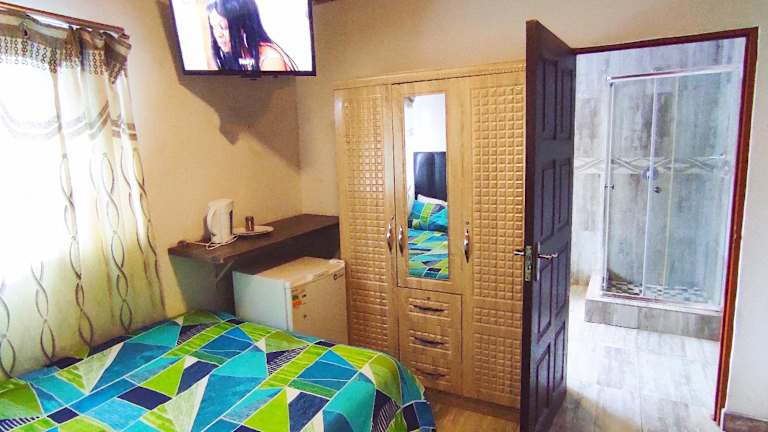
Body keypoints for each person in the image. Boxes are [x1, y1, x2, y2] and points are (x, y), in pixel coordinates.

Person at [206, 0, 297, 72]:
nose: (218, 34)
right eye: (214, 27)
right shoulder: (237, 57)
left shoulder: (270, 59)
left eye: (223, 27)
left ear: (243, 26)